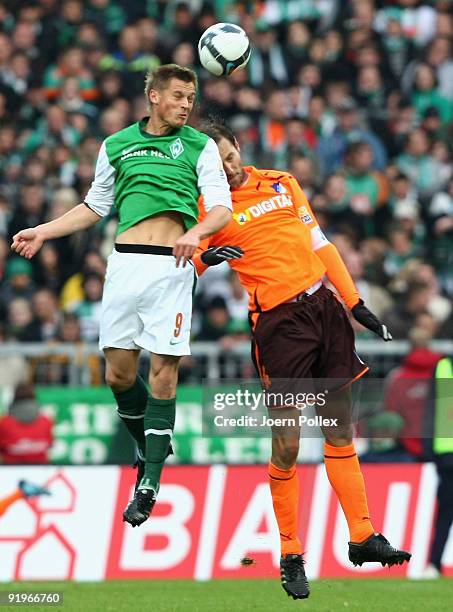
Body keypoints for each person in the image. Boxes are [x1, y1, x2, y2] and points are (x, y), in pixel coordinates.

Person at [193, 123, 410, 601]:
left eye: (228, 156)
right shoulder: (206, 208)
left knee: (339, 430)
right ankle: (291, 553)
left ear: (239, 150)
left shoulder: (281, 181)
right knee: (288, 445)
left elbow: (320, 245)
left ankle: (362, 536)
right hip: (278, 325)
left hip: (325, 310)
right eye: (214, 160)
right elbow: (185, 261)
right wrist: (209, 256)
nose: (225, 166)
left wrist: (354, 304)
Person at [11, 64, 232, 526]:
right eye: (177, 96)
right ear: (153, 96)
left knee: (165, 372)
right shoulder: (116, 145)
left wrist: (196, 233)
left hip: (171, 268)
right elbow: (95, 205)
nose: (186, 104)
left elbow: (221, 208)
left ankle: (149, 481)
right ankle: (151, 441)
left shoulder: (200, 146)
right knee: (118, 375)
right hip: (124, 265)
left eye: (190, 98)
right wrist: (44, 232)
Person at [0, 384, 53, 464]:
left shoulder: (4, 422)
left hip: (10, 470)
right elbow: (49, 444)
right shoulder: (46, 421)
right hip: (41, 470)